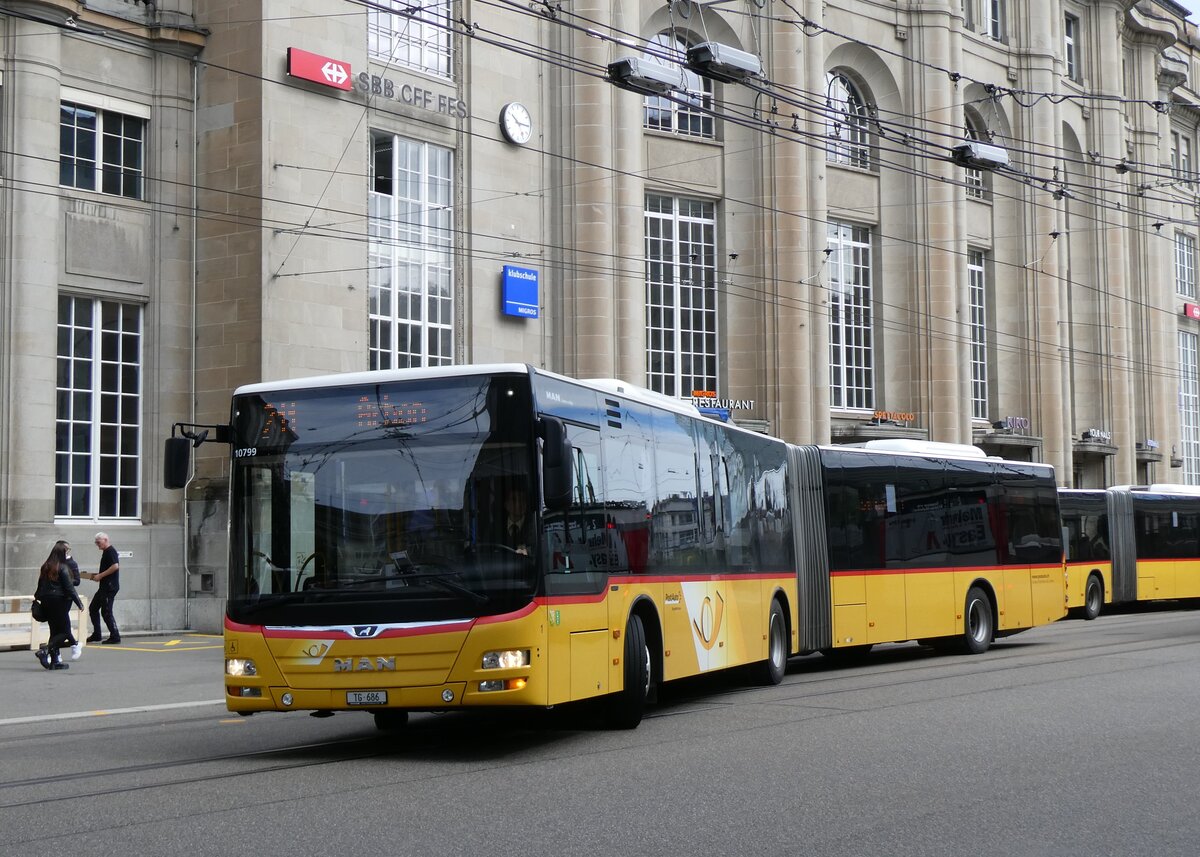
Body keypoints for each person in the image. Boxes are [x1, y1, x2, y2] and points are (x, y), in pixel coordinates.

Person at [34, 542, 85, 670]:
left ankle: (55, 661)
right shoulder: (62, 567)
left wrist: (38, 597)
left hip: (46, 600)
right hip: (59, 601)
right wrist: (79, 603)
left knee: (54, 630)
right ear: (62, 553)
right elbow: (69, 588)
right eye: (67, 552)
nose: (68, 554)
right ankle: (45, 650)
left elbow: (40, 584)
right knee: (65, 631)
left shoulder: (46, 566)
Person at [83, 531, 121, 644]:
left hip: (109, 587)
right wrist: (95, 575)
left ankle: (115, 636)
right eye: (96, 543)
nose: (97, 545)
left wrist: (100, 575)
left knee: (106, 611)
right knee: (93, 608)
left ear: (105, 540)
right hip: (104, 586)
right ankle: (97, 634)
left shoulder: (110, 551)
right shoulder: (106, 552)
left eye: (98, 542)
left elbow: (115, 566)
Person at [499, 484, 533, 555]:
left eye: (522, 499)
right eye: (514, 499)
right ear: (506, 504)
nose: (518, 504)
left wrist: (528, 551)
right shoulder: (495, 528)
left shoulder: (534, 526)